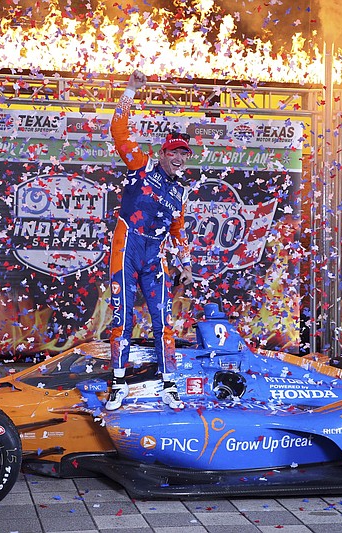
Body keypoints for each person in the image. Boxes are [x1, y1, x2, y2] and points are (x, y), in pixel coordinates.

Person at [106, 69, 194, 410]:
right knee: (122, 318)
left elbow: (178, 231)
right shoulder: (140, 166)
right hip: (126, 248)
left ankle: (168, 384)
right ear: (162, 153)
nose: (179, 157)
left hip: (154, 257)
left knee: (163, 322)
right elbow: (118, 131)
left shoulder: (180, 192)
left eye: (184, 153)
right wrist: (130, 90)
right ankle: (118, 384)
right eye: (174, 152)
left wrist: (186, 265)